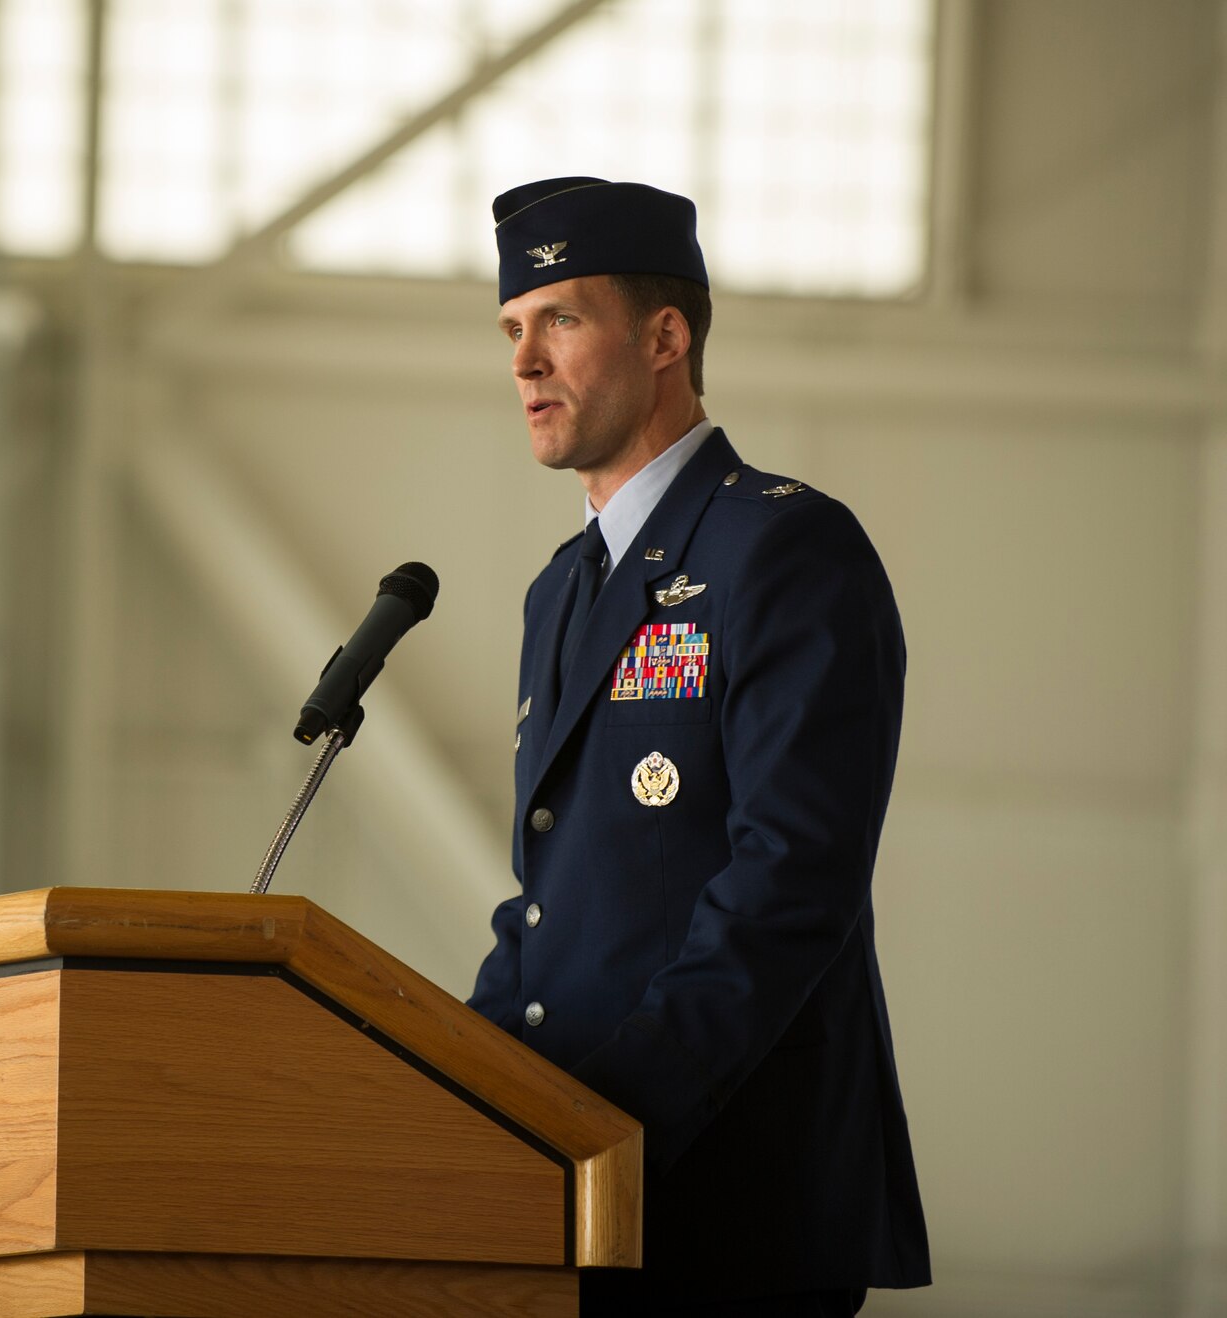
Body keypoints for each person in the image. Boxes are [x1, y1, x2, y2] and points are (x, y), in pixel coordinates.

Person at [466, 177, 931, 1316]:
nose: (524, 361)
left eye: (561, 319)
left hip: (723, 1194)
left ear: (664, 336)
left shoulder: (782, 548)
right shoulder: (556, 594)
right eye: (512, 330)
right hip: (570, 1188)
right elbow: (549, 899)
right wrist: (452, 1087)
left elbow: (790, 883)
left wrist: (608, 1119)